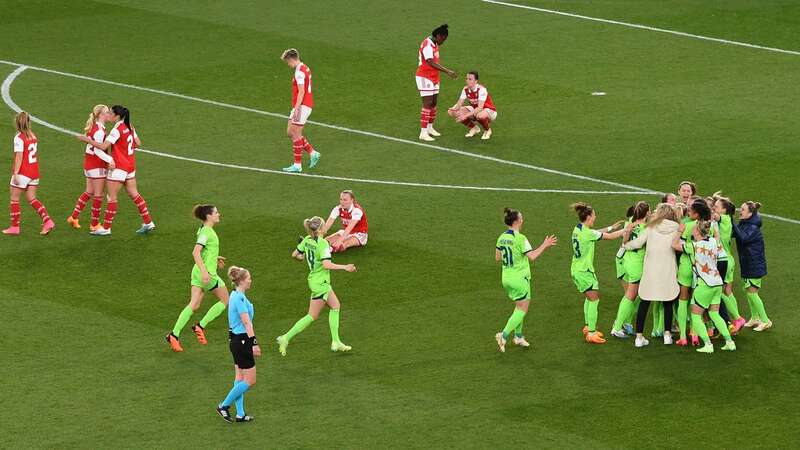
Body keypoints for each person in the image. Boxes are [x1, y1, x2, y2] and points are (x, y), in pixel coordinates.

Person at [276, 216, 356, 355]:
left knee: (326, 309)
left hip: (314, 280)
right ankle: (286, 337)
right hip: (321, 283)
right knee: (323, 311)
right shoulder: (323, 243)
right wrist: (345, 267)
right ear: (320, 229)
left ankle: (335, 341)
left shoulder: (307, 240)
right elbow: (326, 264)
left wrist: (302, 257)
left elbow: (295, 254)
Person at [77, 105, 154, 236]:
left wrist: (87, 140)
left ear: (117, 116)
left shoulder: (117, 129)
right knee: (134, 194)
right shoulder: (130, 126)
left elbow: (103, 146)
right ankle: (148, 222)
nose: (109, 115)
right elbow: (138, 143)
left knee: (111, 197)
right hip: (130, 165)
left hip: (119, 167)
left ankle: (106, 228)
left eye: (111, 113)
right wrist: (125, 149)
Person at [166, 204, 229, 352]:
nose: (218, 214)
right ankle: (200, 326)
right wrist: (205, 271)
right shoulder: (207, 232)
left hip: (198, 272)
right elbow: (195, 252)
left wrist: (214, 258)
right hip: (206, 273)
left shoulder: (203, 229)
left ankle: (174, 335)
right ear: (209, 216)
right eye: (216, 212)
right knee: (226, 300)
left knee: (194, 305)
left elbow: (205, 250)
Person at [494, 208, 558, 352]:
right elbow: (532, 256)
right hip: (519, 278)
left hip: (506, 277)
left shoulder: (502, 237)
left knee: (519, 307)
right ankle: (503, 335)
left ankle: (518, 336)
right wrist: (545, 245)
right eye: (521, 218)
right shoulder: (521, 238)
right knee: (523, 309)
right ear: (516, 221)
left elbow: (497, 258)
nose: (523, 219)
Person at [621, 204, 681, 347]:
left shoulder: (651, 226)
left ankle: (639, 337)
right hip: (668, 268)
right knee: (668, 301)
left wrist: (625, 245)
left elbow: (637, 243)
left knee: (645, 301)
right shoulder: (677, 228)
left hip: (651, 269)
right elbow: (679, 245)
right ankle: (667, 335)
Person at [672, 220, 736, 353]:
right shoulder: (713, 241)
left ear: (697, 232)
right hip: (717, 283)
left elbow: (674, 245)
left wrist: (679, 231)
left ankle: (708, 344)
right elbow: (717, 238)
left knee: (695, 316)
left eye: (694, 229)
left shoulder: (693, 246)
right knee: (714, 314)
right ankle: (729, 342)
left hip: (704, 285)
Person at [570, 203, 625, 344]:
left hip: (577, 269)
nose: (595, 216)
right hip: (584, 272)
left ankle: (588, 327)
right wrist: (626, 230)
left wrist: (612, 227)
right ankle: (592, 333)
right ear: (588, 217)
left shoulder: (578, 228)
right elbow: (611, 237)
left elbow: (597, 232)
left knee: (589, 298)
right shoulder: (588, 233)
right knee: (594, 299)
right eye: (594, 214)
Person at [216, 266, 259, 423]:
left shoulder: (236, 294)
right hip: (242, 341)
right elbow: (246, 322)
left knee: (240, 377)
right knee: (250, 380)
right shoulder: (239, 298)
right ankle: (224, 406)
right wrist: (254, 343)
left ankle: (240, 414)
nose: (250, 280)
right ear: (241, 280)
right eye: (248, 278)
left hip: (235, 340)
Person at [3, 111, 55, 236]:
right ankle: (47, 221)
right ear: (28, 123)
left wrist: (16, 173)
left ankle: (14, 227)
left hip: (23, 172)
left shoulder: (19, 138)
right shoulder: (32, 135)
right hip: (34, 172)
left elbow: (19, 157)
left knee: (14, 199)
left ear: (17, 123)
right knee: (32, 198)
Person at [67, 104, 112, 231]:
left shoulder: (96, 127)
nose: (109, 114)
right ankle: (95, 224)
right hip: (96, 164)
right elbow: (98, 150)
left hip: (89, 163)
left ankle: (74, 217)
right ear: (101, 115)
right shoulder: (99, 130)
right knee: (98, 195)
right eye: (107, 112)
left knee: (89, 191)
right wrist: (110, 160)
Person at [610, 201, 649, 339]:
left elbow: (624, 242)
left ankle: (624, 322)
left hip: (626, 260)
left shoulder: (629, 224)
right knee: (631, 295)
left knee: (633, 295)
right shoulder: (646, 228)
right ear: (647, 213)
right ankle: (617, 326)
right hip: (637, 263)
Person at [280, 48, 321, 173]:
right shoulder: (304, 67)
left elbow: (302, 91)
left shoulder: (299, 72)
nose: (288, 65)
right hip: (301, 105)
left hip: (302, 106)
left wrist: (297, 108)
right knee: (290, 132)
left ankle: (297, 165)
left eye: (287, 62)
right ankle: (313, 153)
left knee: (296, 134)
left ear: (291, 59)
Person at [733, 201, 771, 331]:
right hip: (748, 263)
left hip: (754, 264)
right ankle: (755, 318)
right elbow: (735, 234)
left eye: (743, 210)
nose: (740, 211)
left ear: (750, 213)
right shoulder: (746, 223)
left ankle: (765, 320)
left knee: (752, 293)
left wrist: (731, 222)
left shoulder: (753, 227)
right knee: (749, 292)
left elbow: (743, 238)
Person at [416, 24, 457, 141]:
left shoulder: (434, 44)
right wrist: (447, 71)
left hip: (434, 77)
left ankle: (429, 128)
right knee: (427, 104)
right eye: (443, 39)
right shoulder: (427, 45)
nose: (443, 42)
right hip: (424, 77)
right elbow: (430, 62)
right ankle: (423, 133)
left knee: (433, 103)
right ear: (438, 36)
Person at [712, 193, 746, 333]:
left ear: (723, 210)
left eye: (716, 206)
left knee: (720, 292)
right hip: (727, 258)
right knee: (726, 291)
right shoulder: (726, 219)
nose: (714, 208)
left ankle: (737, 318)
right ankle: (734, 320)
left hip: (723, 259)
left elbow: (714, 216)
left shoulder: (724, 219)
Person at [447, 71, 497, 140]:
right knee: (452, 112)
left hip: (489, 111)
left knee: (479, 115)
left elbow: (480, 108)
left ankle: (487, 130)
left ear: (476, 81)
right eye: (466, 79)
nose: (467, 81)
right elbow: (459, 103)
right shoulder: (465, 89)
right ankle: (474, 128)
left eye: (470, 79)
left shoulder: (481, 90)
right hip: (475, 109)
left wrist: (465, 116)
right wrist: (454, 109)